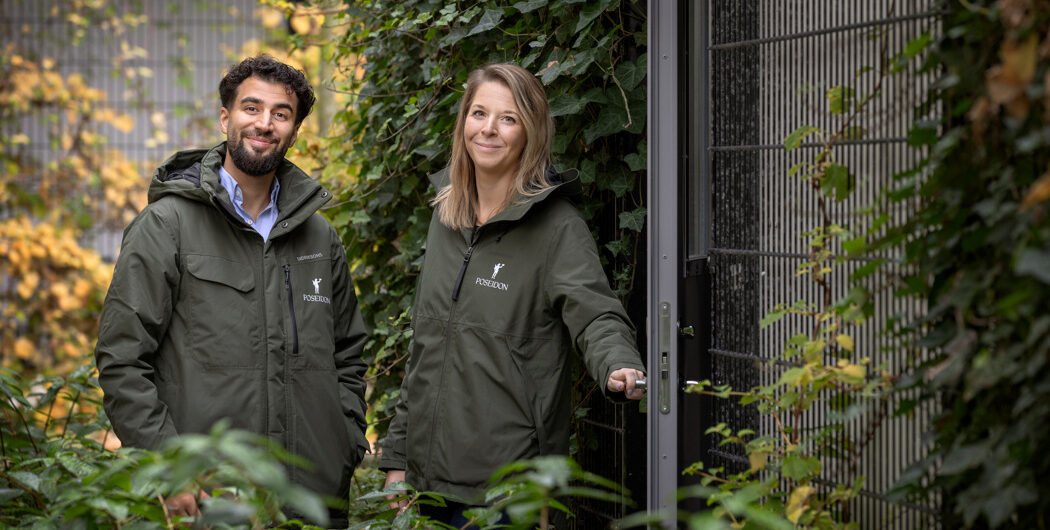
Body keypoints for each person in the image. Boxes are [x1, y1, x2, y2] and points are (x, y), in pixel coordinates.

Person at [94, 55, 369, 527]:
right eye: (251, 108)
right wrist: (170, 471)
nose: (264, 123)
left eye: (281, 113)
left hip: (313, 504)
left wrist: (343, 446)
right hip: (207, 501)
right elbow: (122, 360)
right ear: (226, 118)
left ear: (294, 131)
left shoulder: (320, 238)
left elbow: (348, 356)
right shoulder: (167, 225)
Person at [378, 63, 646, 527]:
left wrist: (618, 362)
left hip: (508, 489)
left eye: (508, 118)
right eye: (479, 113)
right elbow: (426, 348)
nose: (488, 129)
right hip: (428, 483)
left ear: (530, 133)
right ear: (464, 121)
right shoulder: (446, 217)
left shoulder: (558, 228)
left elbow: (595, 314)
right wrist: (399, 457)